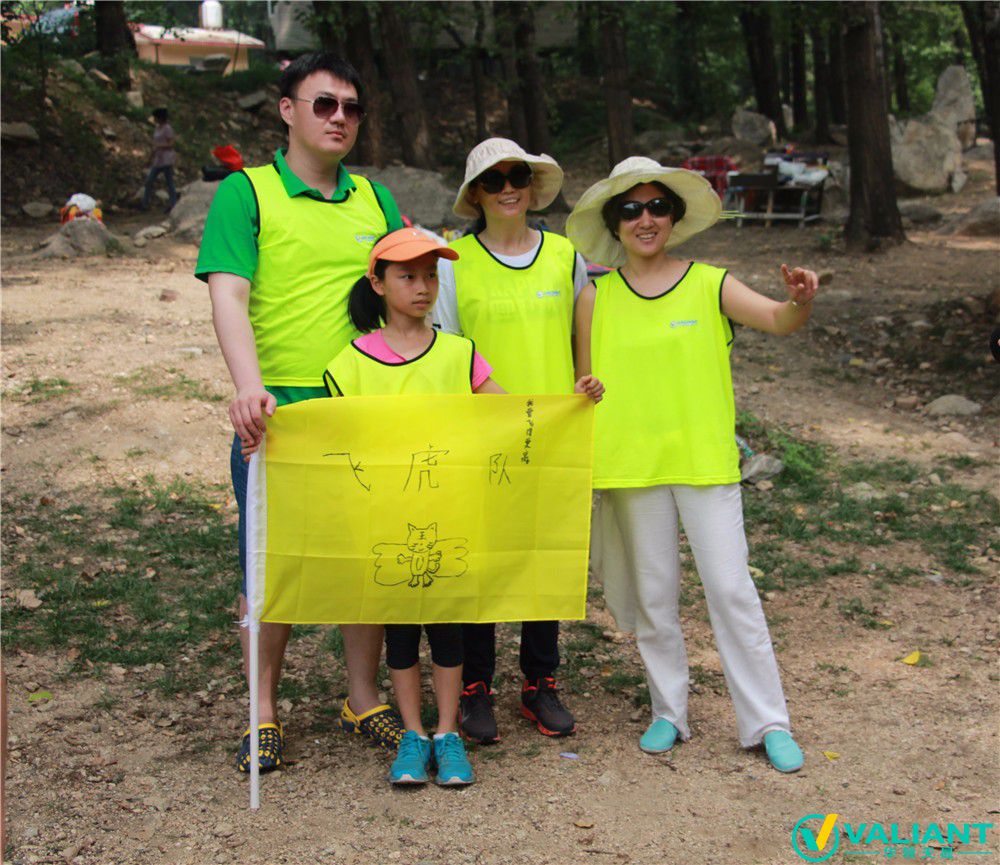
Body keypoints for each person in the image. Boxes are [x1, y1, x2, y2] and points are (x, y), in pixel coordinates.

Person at [302, 228, 601, 785]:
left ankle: (448, 733)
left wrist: (571, 407)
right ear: (378, 283)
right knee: (399, 635)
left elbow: (509, 415)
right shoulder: (349, 365)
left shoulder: (460, 354)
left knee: (448, 631)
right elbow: (333, 441)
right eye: (407, 277)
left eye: (429, 277)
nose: (422, 288)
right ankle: (412, 736)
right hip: (385, 524)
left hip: (452, 519)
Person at [566, 156, 818, 773]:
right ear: (615, 224)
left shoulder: (711, 283)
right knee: (655, 597)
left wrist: (800, 300)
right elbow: (583, 380)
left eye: (658, 207)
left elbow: (779, 320)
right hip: (633, 465)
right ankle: (668, 711)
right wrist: (585, 388)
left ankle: (767, 721)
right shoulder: (595, 297)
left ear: (674, 217)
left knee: (731, 591)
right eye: (631, 210)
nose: (646, 219)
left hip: (704, 461)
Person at [196, 53, 407, 774]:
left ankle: (363, 698)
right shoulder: (246, 193)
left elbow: (410, 288)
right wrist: (247, 387)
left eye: (351, 107)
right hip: (279, 412)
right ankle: (262, 711)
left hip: (365, 407)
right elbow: (228, 294)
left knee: (364, 561)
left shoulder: (376, 199)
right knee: (270, 568)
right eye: (323, 104)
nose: (339, 117)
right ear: (287, 110)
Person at [434, 138, 591, 744]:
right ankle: (475, 686)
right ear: (475, 193)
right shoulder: (454, 261)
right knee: (482, 561)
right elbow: (449, 350)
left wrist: (582, 387)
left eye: (517, 176)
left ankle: (540, 681)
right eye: (493, 179)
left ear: (532, 186)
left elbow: (580, 339)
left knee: (543, 554)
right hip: (485, 434)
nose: (507, 188)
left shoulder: (565, 256)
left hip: (553, 434)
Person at [141, 108, 179, 212]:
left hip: (166, 159)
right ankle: (144, 204)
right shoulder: (157, 128)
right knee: (149, 181)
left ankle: (173, 203)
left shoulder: (167, 128)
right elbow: (155, 145)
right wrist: (150, 158)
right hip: (158, 160)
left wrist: (159, 146)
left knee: (169, 182)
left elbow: (171, 144)